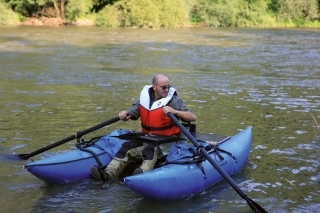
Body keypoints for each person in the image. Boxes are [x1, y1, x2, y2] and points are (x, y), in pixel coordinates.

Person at [90, 74, 197, 182]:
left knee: (150, 149)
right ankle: (108, 174)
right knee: (127, 146)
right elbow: (132, 112)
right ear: (154, 87)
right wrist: (125, 115)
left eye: (168, 86)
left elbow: (192, 117)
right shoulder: (145, 98)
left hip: (167, 140)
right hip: (146, 137)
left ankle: (141, 175)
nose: (167, 89)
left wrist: (174, 111)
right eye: (163, 87)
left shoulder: (173, 100)